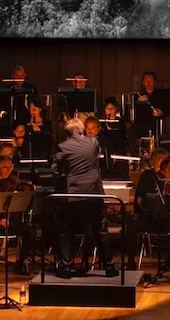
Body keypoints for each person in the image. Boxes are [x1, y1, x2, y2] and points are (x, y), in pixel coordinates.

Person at [52, 118, 117, 278]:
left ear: (67, 133)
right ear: (81, 130)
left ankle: (67, 267)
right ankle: (109, 267)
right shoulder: (94, 143)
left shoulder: (63, 147)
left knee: (66, 230)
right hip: (94, 193)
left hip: (73, 195)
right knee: (101, 230)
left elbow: (55, 171)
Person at [0, 154, 35, 273]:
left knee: (30, 232)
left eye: (11, 167)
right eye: (5, 167)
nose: (9, 170)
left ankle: (20, 262)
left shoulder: (14, 182)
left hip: (11, 221)